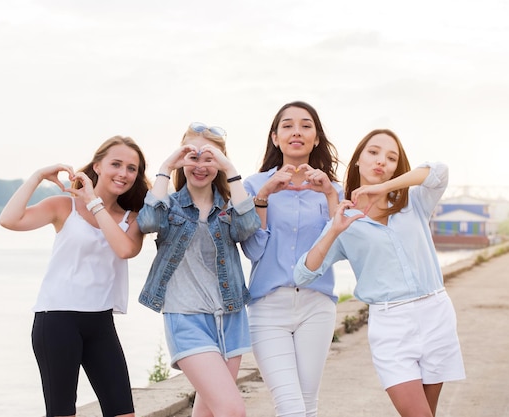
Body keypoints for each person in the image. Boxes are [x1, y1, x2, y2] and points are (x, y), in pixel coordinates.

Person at [294, 129, 466, 417]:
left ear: (397, 168)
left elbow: (438, 171)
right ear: (358, 160)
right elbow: (303, 275)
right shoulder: (344, 221)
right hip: (391, 323)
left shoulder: (414, 202)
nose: (381, 161)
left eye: (391, 157)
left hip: (436, 313)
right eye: (373, 152)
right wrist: (333, 230)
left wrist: (384, 188)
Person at [0, 136, 150, 417]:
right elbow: (9, 220)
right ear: (98, 166)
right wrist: (37, 177)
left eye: (132, 168)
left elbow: (125, 249)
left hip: (101, 323)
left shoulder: (133, 217)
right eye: (116, 164)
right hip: (56, 320)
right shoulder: (63, 206)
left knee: (123, 412)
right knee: (62, 412)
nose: (124, 173)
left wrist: (94, 203)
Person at [137, 122, 261, 417]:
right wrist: (167, 166)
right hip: (186, 318)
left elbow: (247, 228)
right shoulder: (169, 206)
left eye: (210, 158)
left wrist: (231, 170)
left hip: (231, 318)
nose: (201, 165)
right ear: (183, 159)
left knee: (208, 412)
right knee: (232, 410)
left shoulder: (230, 208)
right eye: (193, 157)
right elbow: (148, 222)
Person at [240, 101, 342, 417]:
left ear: (316, 138)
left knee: (307, 406)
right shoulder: (253, 186)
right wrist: (264, 197)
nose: (296, 131)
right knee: (290, 406)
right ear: (275, 137)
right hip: (268, 307)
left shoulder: (333, 189)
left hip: (317, 306)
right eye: (287, 125)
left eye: (305, 125)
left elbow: (338, 249)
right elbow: (253, 251)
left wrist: (329, 196)